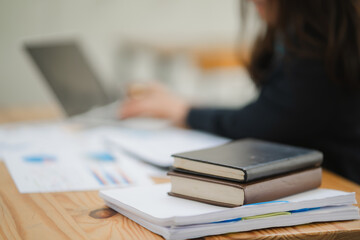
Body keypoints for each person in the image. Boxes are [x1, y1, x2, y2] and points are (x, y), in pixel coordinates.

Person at [120, 0, 360, 184]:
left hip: (341, 186)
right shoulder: (313, 35)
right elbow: (274, 110)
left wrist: (185, 112)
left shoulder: (318, 52)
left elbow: (267, 123)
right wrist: (188, 108)